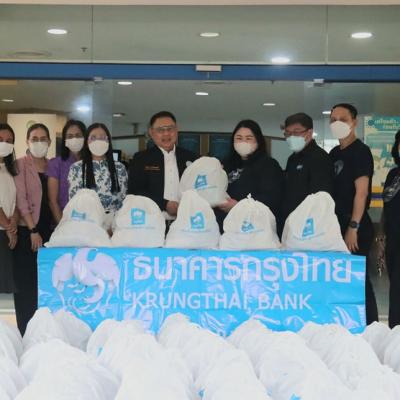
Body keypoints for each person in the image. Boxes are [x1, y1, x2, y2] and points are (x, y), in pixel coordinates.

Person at [329, 103, 378, 324]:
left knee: (358, 280)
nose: (337, 123)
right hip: (337, 225)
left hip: (355, 226)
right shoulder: (334, 153)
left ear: (354, 122)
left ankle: (370, 326)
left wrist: (353, 227)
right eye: (333, 120)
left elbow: (362, 192)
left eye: (343, 119)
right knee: (341, 280)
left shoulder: (360, 151)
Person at [14, 123, 53, 335]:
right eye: (34, 138)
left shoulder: (53, 165)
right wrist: (33, 229)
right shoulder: (20, 164)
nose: (39, 142)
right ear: (27, 142)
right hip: (29, 232)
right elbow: (21, 199)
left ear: (49, 141)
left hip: (51, 233)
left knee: (45, 284)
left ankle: (44, 332)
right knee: (26, 286)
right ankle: (25, 332)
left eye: (43, 138)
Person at [128, 111, 197, 221]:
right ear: (151, 132)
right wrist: (165, 204)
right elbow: (135, 191)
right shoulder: (141, 159)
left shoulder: (192, 158)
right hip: (151, 221)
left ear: (177, 130)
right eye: (160, 130)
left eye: (170, 128)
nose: (166, 133)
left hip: (187, 221)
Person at [216, 119, 284, 230]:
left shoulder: (269, 165)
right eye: (239, 138)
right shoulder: (226, 164)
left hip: (253, 228)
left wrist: (238, 206)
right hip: (225, 227)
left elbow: (271, 198)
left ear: (258, 141)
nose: (243, 142)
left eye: (249, 138)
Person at [281, 112, 334, 230]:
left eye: (296, 132)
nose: (291, 137)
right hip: (291, 223)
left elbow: (321, 198)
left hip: (310, 226)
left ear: (309, 133)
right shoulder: (292, 159)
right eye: (288, 133)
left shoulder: (319, 158)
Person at [68, 123, 127, 224]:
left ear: (108, 141)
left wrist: (113, 226)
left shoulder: (119, 168)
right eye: (93, 137)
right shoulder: (76, 168)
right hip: (86, 223)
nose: (98, 141)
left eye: (102, 138)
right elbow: (74, 203)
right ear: (87, 142)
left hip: (114, 224)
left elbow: (123, 201)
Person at [378, 130, 400, 327]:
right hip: (393, 240)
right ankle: (395, 335)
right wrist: (382, 238)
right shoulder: (394, 174)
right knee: (395, 290)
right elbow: (387, 207)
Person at [47, 120, 86, 224]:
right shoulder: (56, 164)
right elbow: (53, 201)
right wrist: (63, 226)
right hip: (64, 219)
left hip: (90, 220)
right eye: (70, 136)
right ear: (65, 140)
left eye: (78, 135)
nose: (74, 139)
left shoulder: (92, 164)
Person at [0, 123, 18, 294]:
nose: (4, 143)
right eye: (0, 139)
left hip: (7, 231)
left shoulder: (11, 169)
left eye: (9, 140)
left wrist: (12, 224)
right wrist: (7, 226)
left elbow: (15, 201)